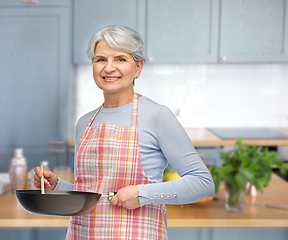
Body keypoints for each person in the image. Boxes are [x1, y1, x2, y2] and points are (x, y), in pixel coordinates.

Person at [34, 25, 215, 239]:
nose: (109, 68)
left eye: (120, 59)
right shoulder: (85, 123)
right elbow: (93, 193)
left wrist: (143, 194)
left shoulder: (156, 116)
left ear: (138, 67)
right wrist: (58, 186)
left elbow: (203, 183)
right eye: (100, 59)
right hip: (83, 234)